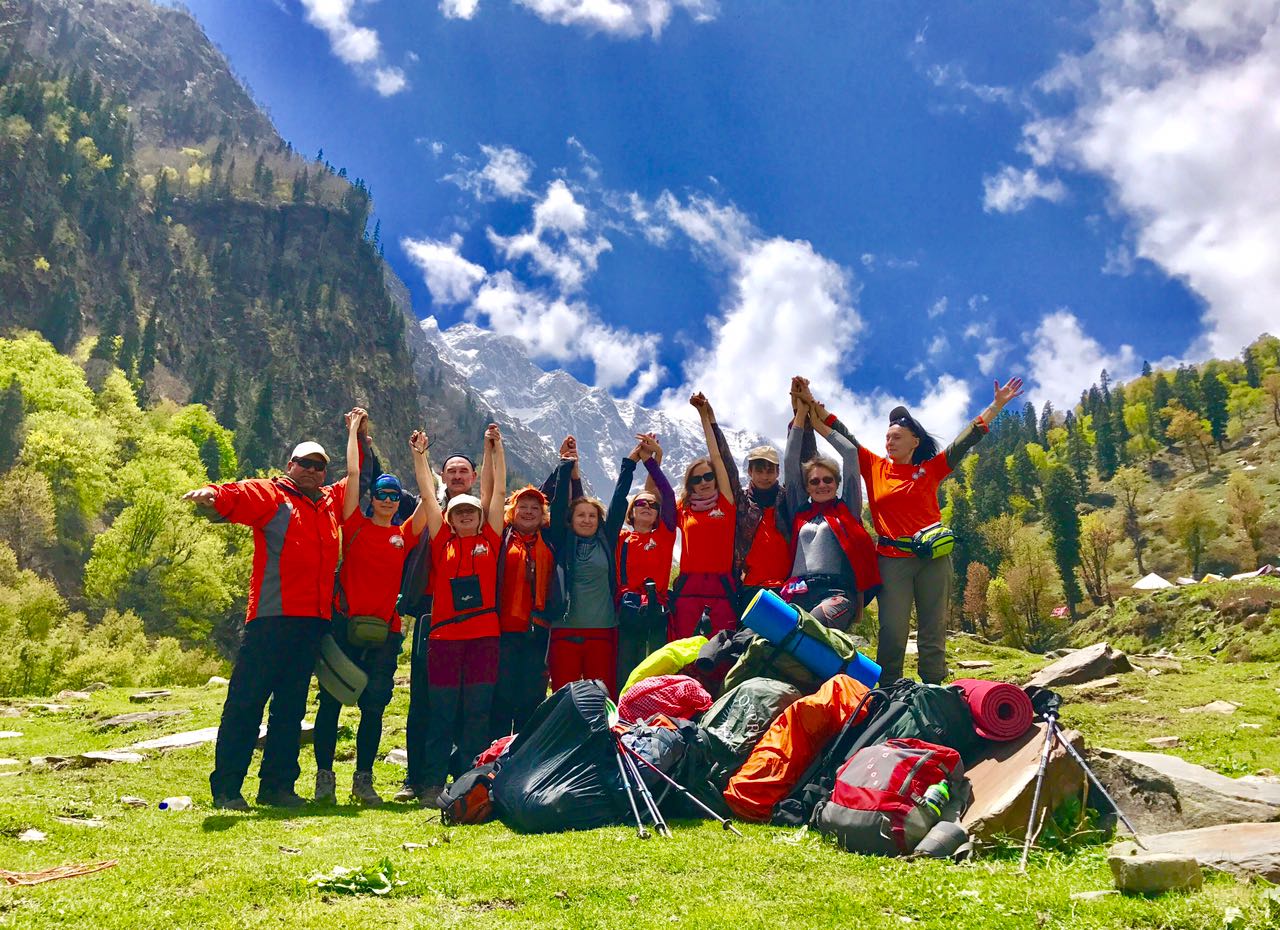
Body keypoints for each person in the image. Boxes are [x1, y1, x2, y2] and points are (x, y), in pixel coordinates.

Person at [183, 410, 363, 810]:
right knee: (246, 704)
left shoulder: (329, 504)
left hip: (312, 625)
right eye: (307, 464)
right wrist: (214, 494)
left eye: (320, 466)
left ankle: (277, 787)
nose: (314, 471)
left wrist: (356, 433)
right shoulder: (275, 495)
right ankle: (227, 789)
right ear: (291, 465)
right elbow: (242, 493)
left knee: (290, 710)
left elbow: (356, 476)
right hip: (270, 621)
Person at [803, 377, 1025, 683]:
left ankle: (933, 685)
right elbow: (844, 436)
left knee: (933, 628)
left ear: (914, 441)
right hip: (891, 560)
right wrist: (811, 405)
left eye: (896, 436)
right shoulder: (874, 466)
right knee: (892, 629)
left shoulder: (931, 470)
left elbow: (965, 440)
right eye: (887, 436)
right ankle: (888, 689)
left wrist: (997, 405)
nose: (889, 442)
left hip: (933, 558)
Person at [312, 413, 431, 805]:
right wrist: (353, 433)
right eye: (381, 493)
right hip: (344, 625)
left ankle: (363, 781)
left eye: (393, 496)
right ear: (372, 497)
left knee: (374, 706)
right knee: (330, 703)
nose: (386, 499)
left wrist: (421, 458)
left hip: (385, 630)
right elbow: (353, 473)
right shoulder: (354, 524)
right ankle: (324, 778)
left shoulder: (402, 535)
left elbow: (430, 503)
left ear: (398, 503)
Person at [416, 423, 507, 805]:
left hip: (485, 637)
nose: (467, 514)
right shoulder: (442, 541)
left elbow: (497, 490)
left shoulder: (491, 537)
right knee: (441, 715)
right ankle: (432, 785)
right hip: (444, 639)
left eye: (472, 510)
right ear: (449, 518)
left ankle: (471, 785)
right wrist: (420, 456)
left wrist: (494, 448)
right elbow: (426, 492)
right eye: (459, 511)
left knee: (477, 713)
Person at [783, 386, 880, 632]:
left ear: (837, 484)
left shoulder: (847, 507)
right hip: (797, 590)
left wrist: (817, 424)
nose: (822, 485)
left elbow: (849, 453)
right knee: (773, 632)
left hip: (835, 592)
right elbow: (789, 461)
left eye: (828, 480)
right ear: (806, 487)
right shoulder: (799, 511)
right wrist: (799, 416)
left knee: (810, 628)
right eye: (814, 481)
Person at [544, 438, 636, 699]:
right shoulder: (562, 540)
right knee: (565, 697)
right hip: (564, 632)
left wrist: (630, 464)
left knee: (603, 698)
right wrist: (566, 465)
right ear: (570, 520)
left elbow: (619, 502)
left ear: (599, 520)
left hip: (602, 632)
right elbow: (559, 502)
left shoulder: (605, 540)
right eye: (580, 515)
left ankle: (604, 740)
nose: (586, 519)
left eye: (592, 515)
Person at [490, 483, 559, 739]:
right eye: (523, 507)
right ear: (512, 510)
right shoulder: (501, 536)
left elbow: (564, 501)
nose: (529, 512)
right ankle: (494, 757)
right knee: (502, 696)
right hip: (504, 629)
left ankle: (521, 758)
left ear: (543, 515)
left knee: (532, 696)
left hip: (538, 630)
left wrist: (567, 466)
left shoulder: (550, 540)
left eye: (535, 508)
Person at [669, 393, 739, 640]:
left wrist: (705, 417)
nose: (704, 482)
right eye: (696, 479)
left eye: (708, 476)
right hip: (688, 588)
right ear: (690, 484)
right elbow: (655, 496)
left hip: (722, 588)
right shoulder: (683, 509)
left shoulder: (726, 503)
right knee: (685, 649)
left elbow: (717, 457)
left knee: (720, 650)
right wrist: (652, 460)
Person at [614, 433, 677, 690]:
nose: (647, 506)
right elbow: (619, 500)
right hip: (627, 612)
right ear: (631, 511)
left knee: (653, 673)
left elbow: (667, 495)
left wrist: (652, 461)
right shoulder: (620, 538)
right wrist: (637, 461)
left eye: (652, 505)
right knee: (625, 672)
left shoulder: (663, 536)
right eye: (640, 503)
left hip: (655, 612)